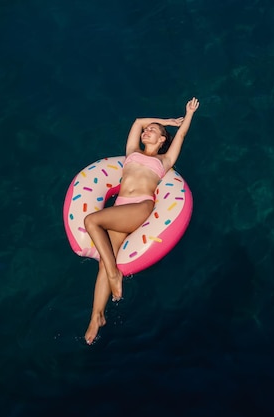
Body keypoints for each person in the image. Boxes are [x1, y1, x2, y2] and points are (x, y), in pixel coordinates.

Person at [83, 97, 200, 344]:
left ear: (161, 141)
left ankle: (115, 275)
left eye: (153, 131)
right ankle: (97, 316)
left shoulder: (164, 161)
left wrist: (187, 115)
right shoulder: (131, 153)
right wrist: (165, 120)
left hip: (141, 207)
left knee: (92, 220)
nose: (147, 130)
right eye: (148, 130)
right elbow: (137, 122)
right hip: (120, 209)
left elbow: (180, 137)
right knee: (104, 263)